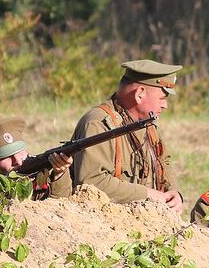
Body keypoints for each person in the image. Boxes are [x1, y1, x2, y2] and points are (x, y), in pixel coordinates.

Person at [70, 59, 184, 212]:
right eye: (162, 98)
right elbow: (91, 182)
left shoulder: (146, 123)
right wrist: (147, 194)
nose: (165, 105)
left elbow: (164, 161)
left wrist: (174, 192)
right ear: (139, 94)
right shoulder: (98, 124)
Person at [0, 117, 72, 199]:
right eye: (7, 156)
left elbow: (60, 209)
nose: (17, 161)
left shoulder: (40, 176)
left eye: (19, 152)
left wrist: (59, 174)